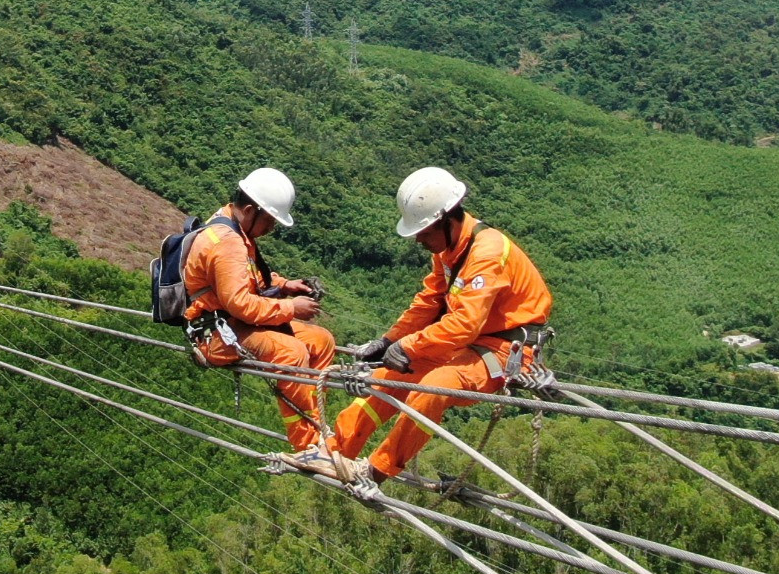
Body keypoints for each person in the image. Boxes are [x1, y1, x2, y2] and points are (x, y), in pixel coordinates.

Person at [332, 166, 553, 485]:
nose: (419, 239)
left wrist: (408, 346)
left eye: (423, 231)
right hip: (464, 345)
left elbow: (464, 323)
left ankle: (377, 469)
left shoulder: (487, 254)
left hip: (505, 351)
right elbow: (431, 300)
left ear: (446, 219)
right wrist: (388, 340)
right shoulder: (450, 249)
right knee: (385, 378)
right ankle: (335, 452)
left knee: (435, 385)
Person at [182, 167, 339, 463]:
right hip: (217, 333)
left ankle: (315, 425)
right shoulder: (227, 242)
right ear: (252, 211)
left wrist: (284, 285)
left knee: (321, 341)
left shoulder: (232, 226)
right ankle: (307, 445)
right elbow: (241, 303)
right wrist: (292, 308)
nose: (271, 229)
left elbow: (250, 278)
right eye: (270, 221)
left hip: (233, 323)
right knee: (291, 354)